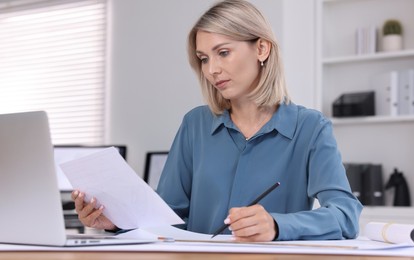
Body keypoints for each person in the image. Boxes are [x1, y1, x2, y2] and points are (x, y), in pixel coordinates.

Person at [72, 0, 362, 242]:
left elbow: (346, 214)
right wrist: (116, 221)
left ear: (262, 49)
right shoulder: (194, 125)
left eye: (223, 53)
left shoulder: (310, 128)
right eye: (203, 58)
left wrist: (277, 225)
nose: (212, 70)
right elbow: (166, 218)